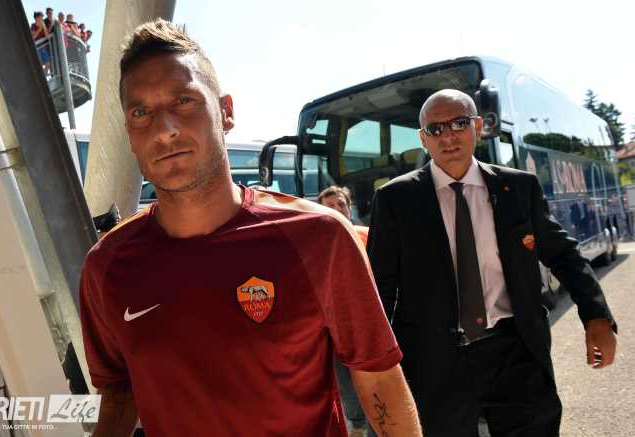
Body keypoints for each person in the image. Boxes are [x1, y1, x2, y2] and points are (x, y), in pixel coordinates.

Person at [80, 19, 421, 437]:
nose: (164, 130)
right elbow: (118, 392)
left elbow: (379, 380)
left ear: (226, 112)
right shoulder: (106, 267)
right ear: (129, 134)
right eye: (141, 113)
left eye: (184, 101)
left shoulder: (319, 237)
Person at [367, 89, 617, 437]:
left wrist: (596, 316)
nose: (448, 136)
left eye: (459, 123)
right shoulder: (394, 199)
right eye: (436, 129)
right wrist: (375, 363)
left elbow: (564, 255)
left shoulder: (519, 188)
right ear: (423, 139)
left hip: (515, 352)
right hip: (435, 364)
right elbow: (379, 287)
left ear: (478, 126)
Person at [317, 186, 372, 437]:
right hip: (334, 328)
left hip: (370, 324)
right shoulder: (312, 244)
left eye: (341, 204)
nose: (338, 209)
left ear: (350, 208)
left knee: (376, 381)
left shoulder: (369, 235)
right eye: (330, 206)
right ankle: (357, 426)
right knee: (347, 386)